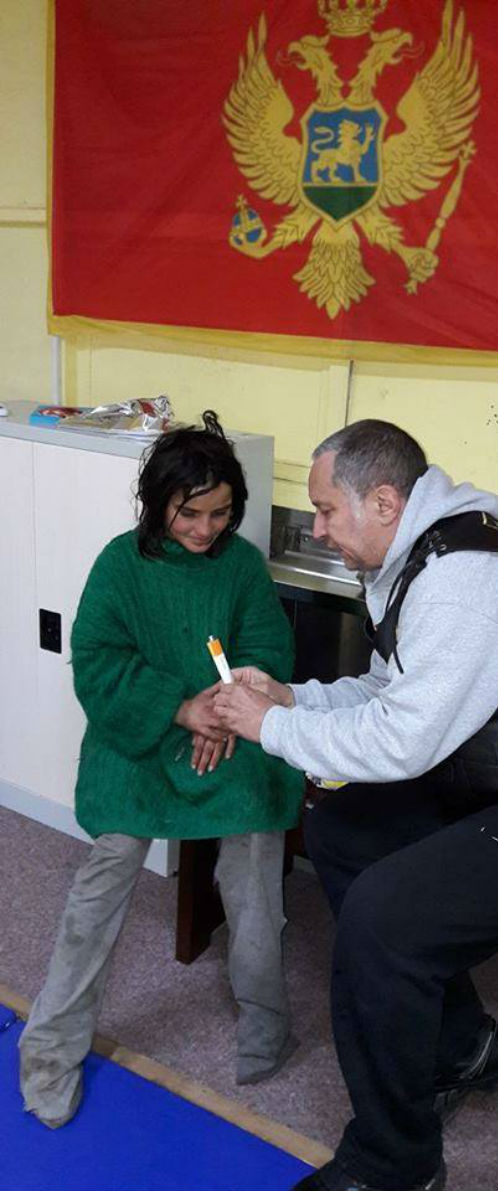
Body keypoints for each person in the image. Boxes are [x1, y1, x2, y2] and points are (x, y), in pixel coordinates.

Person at [214, 419, 498, 1191]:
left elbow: (401, 741)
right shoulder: (419, 557)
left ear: (384, 502)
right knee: (343, 827)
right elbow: (392, 691)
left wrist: (271, 726)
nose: (317, 529)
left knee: (383, 920)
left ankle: (397, 1164)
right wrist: (293, 697)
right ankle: (465, 1047)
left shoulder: (467, 581)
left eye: (325, 510)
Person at [19, 410, 304, 1128]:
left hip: (228, 737)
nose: (206, 528)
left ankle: (267, 1022)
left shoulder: (240, 565)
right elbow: (98, 661)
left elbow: (267, 650)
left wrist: (228, 710)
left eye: (221, 512)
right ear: (157, 502)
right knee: (100, 886)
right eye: (190, 512)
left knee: (254, 867)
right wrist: (179, 710)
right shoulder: (120, 563)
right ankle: (48, 1052)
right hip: (141, 739)